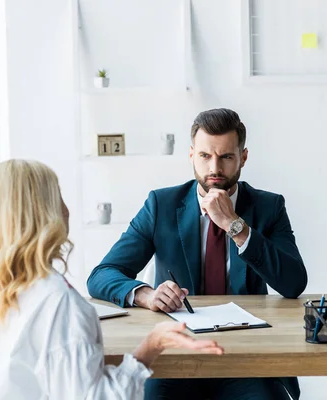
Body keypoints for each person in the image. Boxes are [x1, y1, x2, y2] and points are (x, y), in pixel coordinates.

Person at [0, 159, 223, 399]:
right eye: (57, 196)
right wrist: (151, 346)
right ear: (46, 215)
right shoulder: (59, 305)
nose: (67, 208)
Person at [87, 108, 308, 400]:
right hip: (176, 356)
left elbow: (294, 283)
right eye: (205, 156)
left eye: (226, 157)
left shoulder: (269, 207)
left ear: (243, 157)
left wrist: (235, 226)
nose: (214, 168)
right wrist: (146, 295)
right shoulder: (161, 205)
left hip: (248, 357)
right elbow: (101, 275)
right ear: (192, 155)